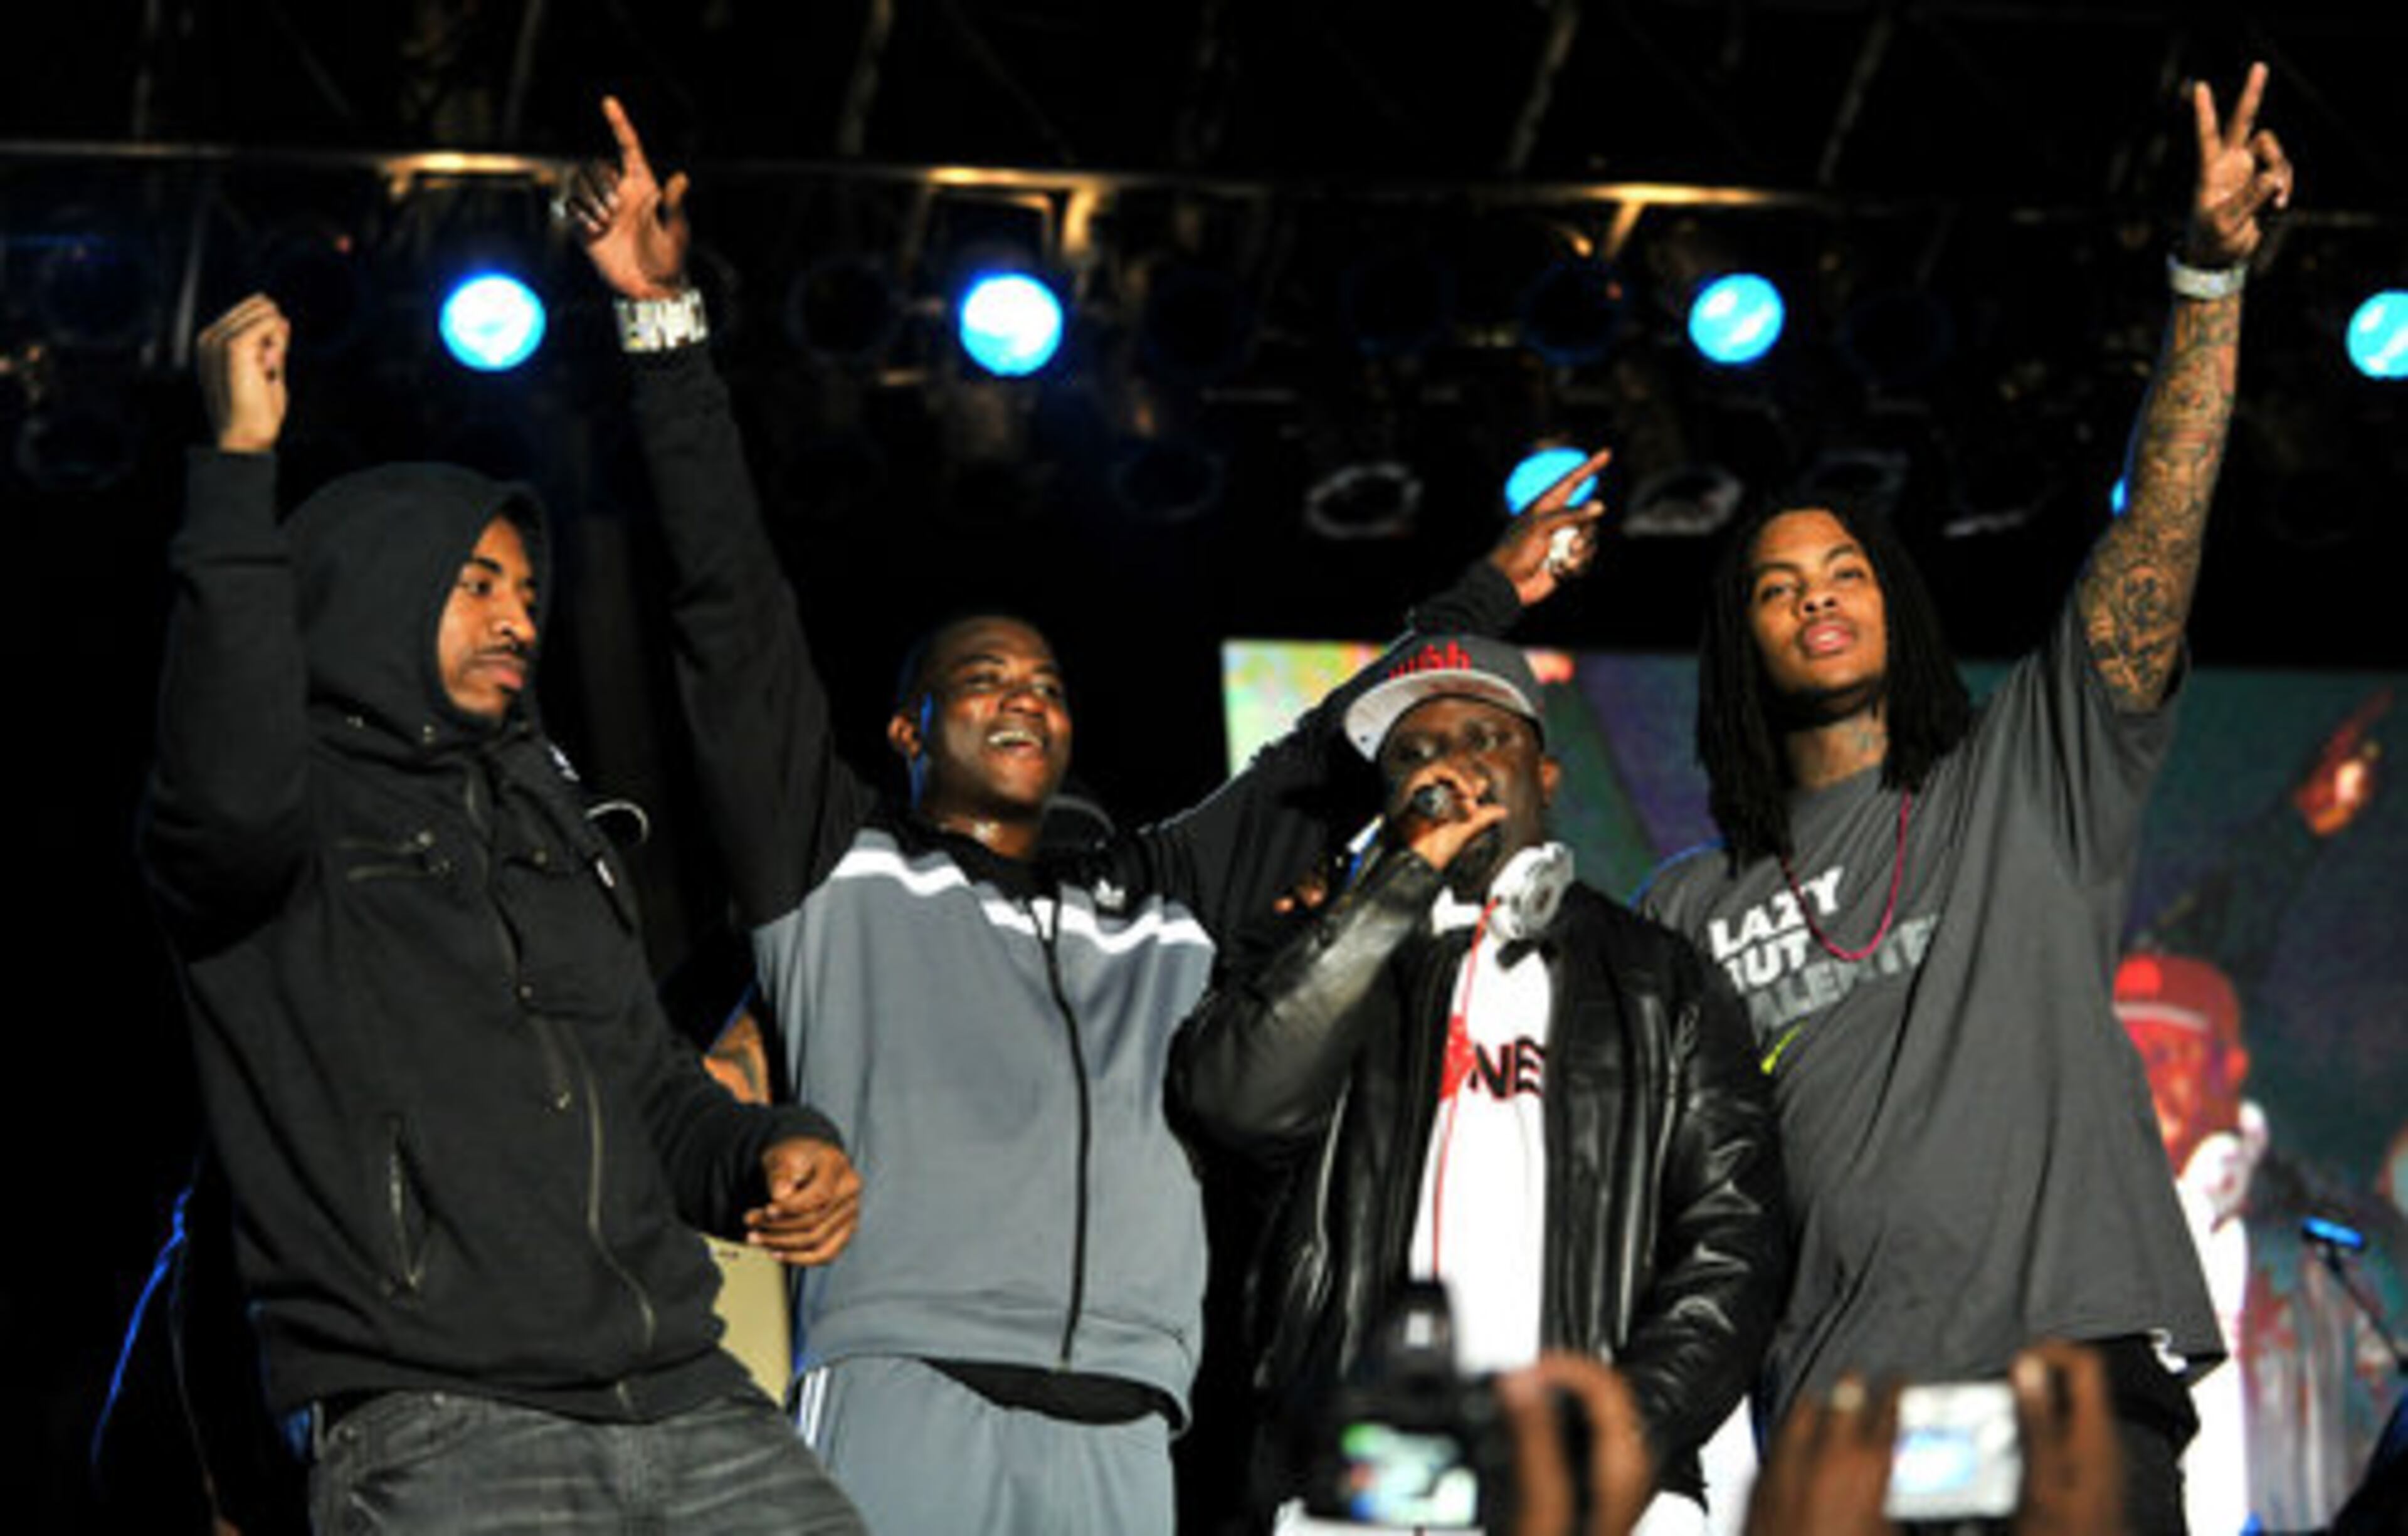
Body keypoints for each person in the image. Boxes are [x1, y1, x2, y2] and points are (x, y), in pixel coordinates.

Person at [562, 97, 1608, 1535]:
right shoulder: (833, 866)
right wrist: (663, 329)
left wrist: (1482, 597)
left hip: (1127, 1420)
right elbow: (730, 613)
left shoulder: (1155, 892)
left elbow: (1319, 753)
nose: (1026, 700)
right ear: (906, 730)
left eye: (1048, 686)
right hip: (905, 1385)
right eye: (984, 679)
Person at [1635, 65, 2294, 1534]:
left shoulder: (2029, 770)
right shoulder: (1683, 904)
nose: (1818, 598)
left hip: (2068, 1384)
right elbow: (1659, 1195)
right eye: (1778, 587)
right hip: (1847, 1427)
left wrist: (2206, 282)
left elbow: (2158, 533)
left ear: (1897, 607)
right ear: (1740, 643)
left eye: (1846, 571)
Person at [141, 294, 867, 1534]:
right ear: (372, 593)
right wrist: (236, 473)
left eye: (528, 592)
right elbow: (222, 777)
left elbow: (652, 1092)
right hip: (441, 1416)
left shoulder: (550, 821)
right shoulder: (284, 818)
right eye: (477, 585)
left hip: (688, 1398)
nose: (520, 620)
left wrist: (767, 1148)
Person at [1176, 634, 1788, 1534]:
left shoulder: (1662, 979)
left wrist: (1620, 1435)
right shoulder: (1327, 965)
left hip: (1589, 1486)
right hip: (1360, 1488)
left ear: (1546, 776)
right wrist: (1394, 888)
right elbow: (1236, 1101)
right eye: (1414, 754)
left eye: (1483, 739)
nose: (1449, 766)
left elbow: (1733, 1240)